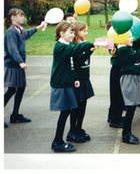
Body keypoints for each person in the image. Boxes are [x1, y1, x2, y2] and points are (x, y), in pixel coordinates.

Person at [49, 21, 100, 152]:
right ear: (61, 33)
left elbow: (71, 65)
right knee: (64, 113)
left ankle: (59, 140)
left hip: (68, 83)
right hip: (61, 84)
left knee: (66, 112)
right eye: (70, 32)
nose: (73, 35)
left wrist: (75, 78)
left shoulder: (67, 45)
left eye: (73, 32)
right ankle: (57, 142)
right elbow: (75, 50)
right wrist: (92, 44)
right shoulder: (60, 47)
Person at [4, 9, 47, 128]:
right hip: (14, 65)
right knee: (11, 90)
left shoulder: (19, 30)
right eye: (20, 16)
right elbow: (12, 49)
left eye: (23, 15)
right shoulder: (11, 32)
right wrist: (20, 62)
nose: (23, 18)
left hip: (19, 65)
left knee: (21, 88)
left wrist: (39, 27)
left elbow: (27, 34)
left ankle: (15, 115)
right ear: (13, 17)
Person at [68, 21, 95, 143]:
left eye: (87, 30)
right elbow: (79, 60)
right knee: (76, 107)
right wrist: (90, 50)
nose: (86, 33)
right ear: (76, 33)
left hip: (84, 79)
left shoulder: (84, 43)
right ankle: (72, 131)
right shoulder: (74, 46)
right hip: (77, 80)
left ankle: (79, 128)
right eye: (84, 31)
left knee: (83, 105)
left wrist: (90, 49)